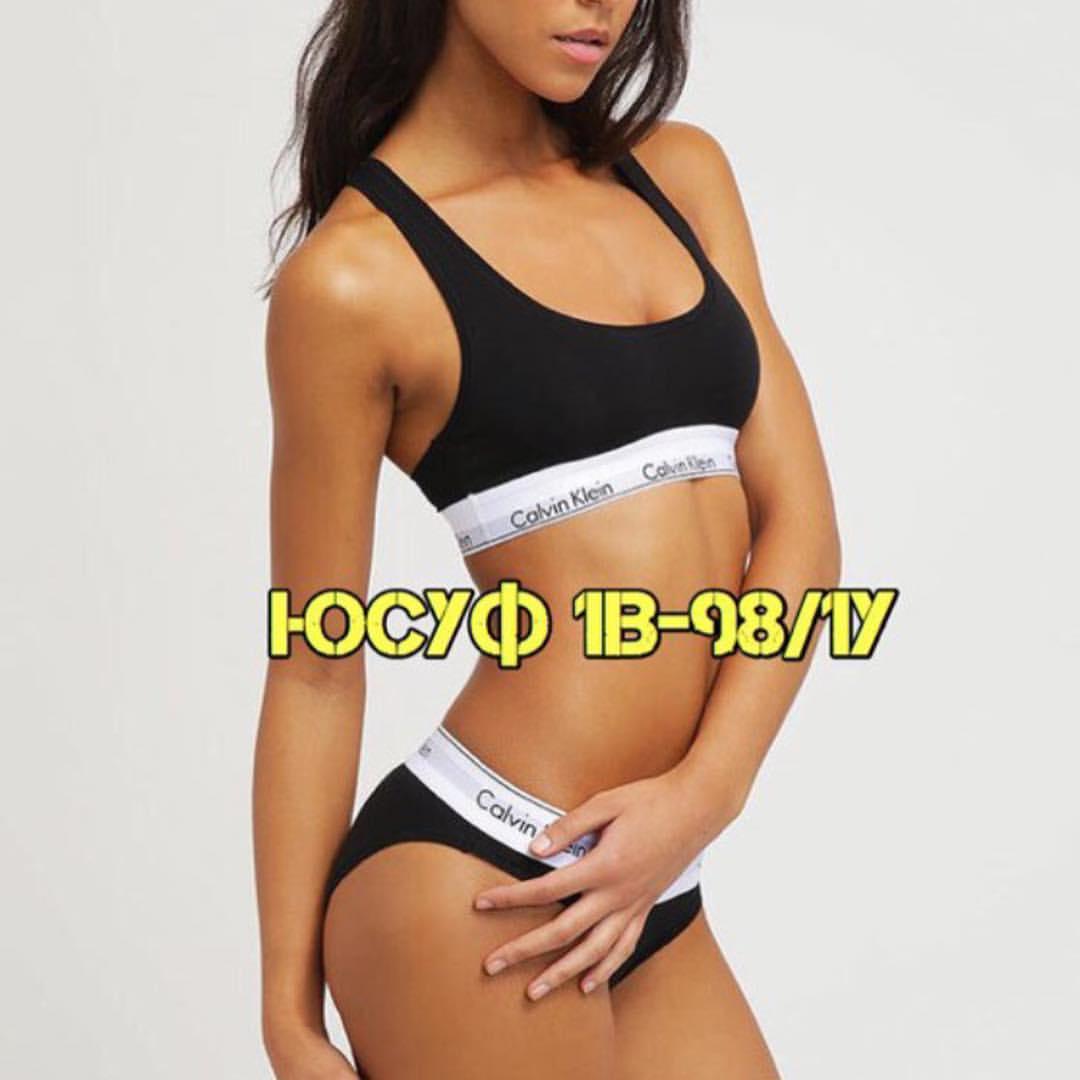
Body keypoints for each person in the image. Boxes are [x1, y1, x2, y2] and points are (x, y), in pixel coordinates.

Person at [253, 2, 842, 1077]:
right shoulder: (353, 279)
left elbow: (801, 527)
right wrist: (289, 1021)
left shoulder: (680, 178)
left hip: (654, 873)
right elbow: (315, 668)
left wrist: (701, 798)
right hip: (481, 877)